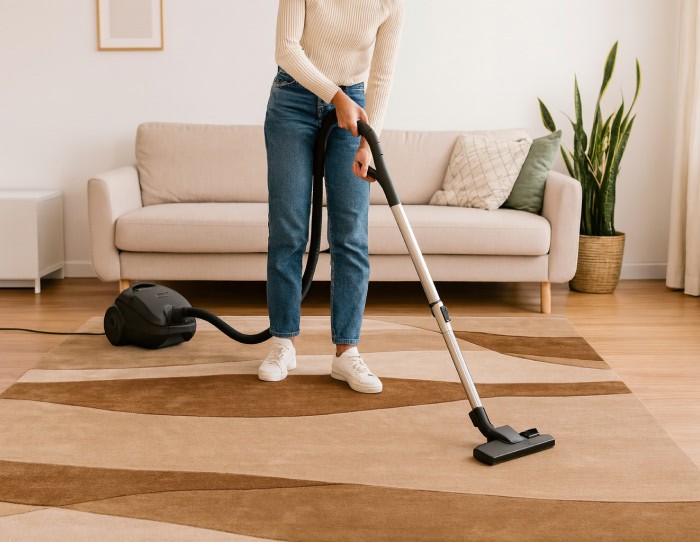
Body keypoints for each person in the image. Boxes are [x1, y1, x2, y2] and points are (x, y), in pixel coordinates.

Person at [258, 0, 404, 393]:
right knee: (288, 228)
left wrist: (370, 145)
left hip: (354, 104)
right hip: (292, 99)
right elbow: (286, 49)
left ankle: (347, 353)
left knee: (351, 234)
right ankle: (283, 342)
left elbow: (383, 75)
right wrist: (334, 95)